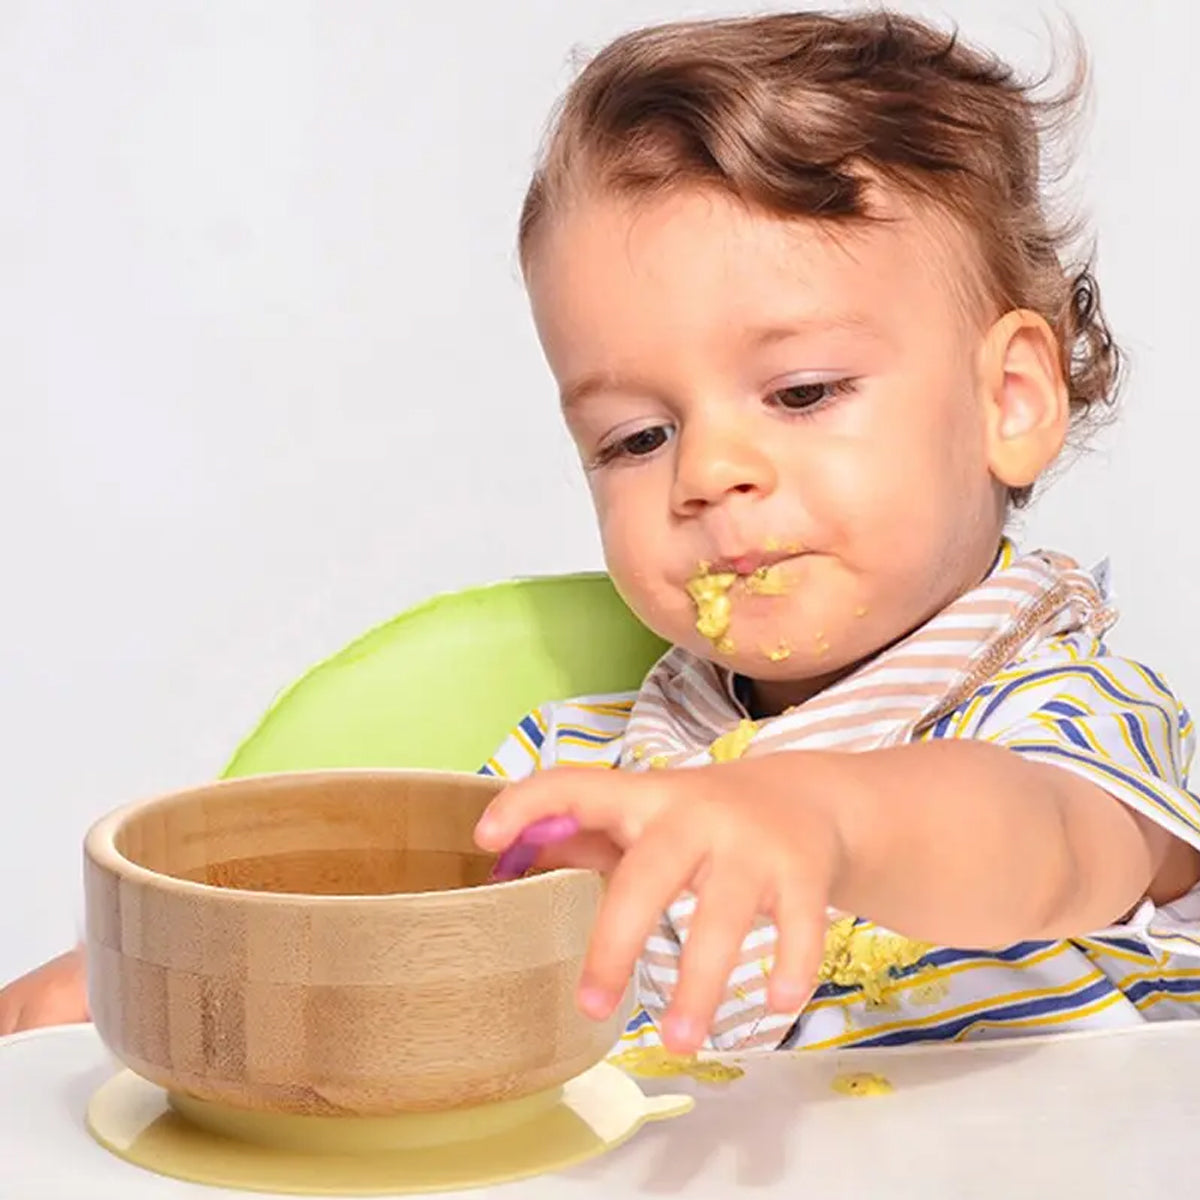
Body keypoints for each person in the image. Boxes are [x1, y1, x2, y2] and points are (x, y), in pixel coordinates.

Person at [4, 11, 1198, 1059]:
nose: (711, 473)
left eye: (802, 393)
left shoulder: (1070, 711)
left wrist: (822, 818)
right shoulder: (574, 773)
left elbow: (1044, 845)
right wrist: (151, 991)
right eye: (636, 438)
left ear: (1012, 402)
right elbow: (398, 967)